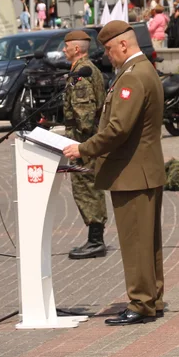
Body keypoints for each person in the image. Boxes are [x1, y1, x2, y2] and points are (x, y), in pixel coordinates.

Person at [62, 20, 165, 325]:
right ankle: (152, 297)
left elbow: (118, 128)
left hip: (133, 173)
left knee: (136, 243)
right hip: (143, 170)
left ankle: (141, 303)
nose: (106, 56)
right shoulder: (142, 70)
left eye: (108, 49)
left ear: (123, 45)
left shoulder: (133, 77)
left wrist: (84, 149)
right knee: (148, 242)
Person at [61, 30, 110, 260]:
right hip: (86, 139)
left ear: (77, 49)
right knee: (90, 186)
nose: (64, 50)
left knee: (86, 187)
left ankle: (95, 241)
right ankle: (95, 238)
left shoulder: (81, 74)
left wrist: (82, 144)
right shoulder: (86, 69)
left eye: (66, 46)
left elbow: (85, 114)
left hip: (83, 140)